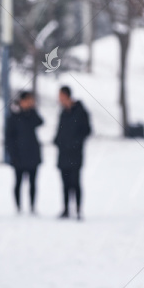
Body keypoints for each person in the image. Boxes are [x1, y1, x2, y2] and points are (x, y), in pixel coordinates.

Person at [54, 85, 91, 219]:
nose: (59, 99)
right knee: (65, 183)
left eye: (60, 96)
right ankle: (65, 209)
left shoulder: (81, 111)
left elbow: (87, 131)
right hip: (63, 154)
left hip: (75, 154)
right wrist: (57, 141)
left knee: (75, 182)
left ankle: (78, 210)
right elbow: (59, 131)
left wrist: (75, 143)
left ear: (66, 95)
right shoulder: (63, 112)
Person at [4, 91, 44, 213]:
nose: (29, 103)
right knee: (18, 182)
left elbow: (40, 122)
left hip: (32, 155)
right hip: (19, 156)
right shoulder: (14, 116)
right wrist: (12, 155)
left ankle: (32, 207)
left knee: (33, 183)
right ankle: (18, 207)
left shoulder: (31, 115)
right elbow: (9, 138)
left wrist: (33, 110)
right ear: (21, 101)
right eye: (28, 100)